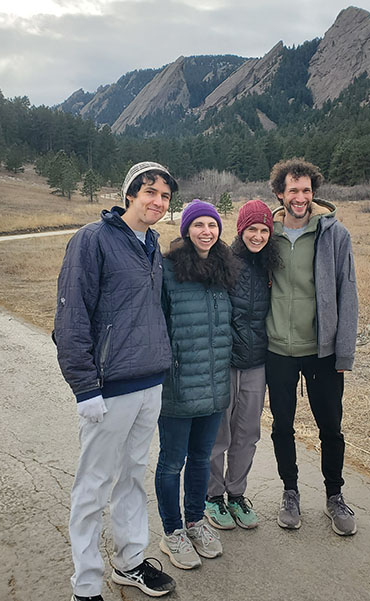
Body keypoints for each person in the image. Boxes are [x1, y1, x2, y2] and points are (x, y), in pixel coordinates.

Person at [54, 161, 178, 601]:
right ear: (129, 194)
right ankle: (86, 586)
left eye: (164, 196)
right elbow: (71, 319)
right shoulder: (93, 240)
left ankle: (129, 563)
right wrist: (85, 388)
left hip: (149, 384)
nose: (157, 201)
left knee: (131, 478)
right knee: (93, 487)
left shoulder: (151, 245)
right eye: (149, 192)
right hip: (109, 389)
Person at [264, 158, 359, 536]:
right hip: (276, 349)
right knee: (281, 426)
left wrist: (343, 352)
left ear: (313, 193)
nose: (300, 197)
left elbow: (347, 293)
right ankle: (290, 492)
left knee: (331, 428)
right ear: (280, 194)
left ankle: (335, 496)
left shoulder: (335, 235)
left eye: (306, 191)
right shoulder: (264, 234)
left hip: (322, 350)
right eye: (293, 191)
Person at [155, 199, 239, 569]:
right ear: (186, 229)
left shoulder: (224, 269)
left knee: (202, 459)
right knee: (173, 462)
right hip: (177, 385)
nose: (207, 231)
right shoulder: (169, 270)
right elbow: (156, 325)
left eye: (213, 224)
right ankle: (171, 532)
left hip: (215, 383)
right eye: (199, 224)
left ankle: (194, 522)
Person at [205, 200, 281, 530]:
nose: (258, 235)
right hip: (224, 362)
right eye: (252, 229)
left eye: (264, 230)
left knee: (247, 433)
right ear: (241, 230)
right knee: (218, 433)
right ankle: (212, 497)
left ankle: (236, 494)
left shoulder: (272, 265)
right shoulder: (224, 261)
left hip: (257, 363)